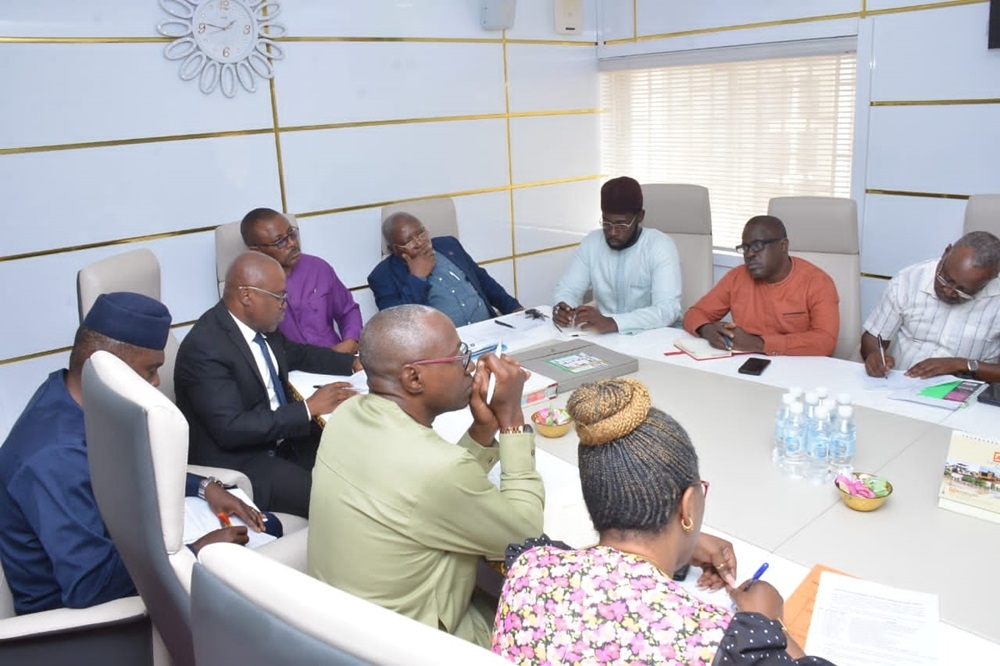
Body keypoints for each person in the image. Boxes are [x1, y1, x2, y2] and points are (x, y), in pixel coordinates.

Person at [492, 378, 835, 665]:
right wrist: (768, 623)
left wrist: (685, 544)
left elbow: (588, 568)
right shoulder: (721, 644)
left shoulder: (528, 567)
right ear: (688, 507)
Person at [0, 292, 276, 615]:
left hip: (119, 550)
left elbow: (127, 468)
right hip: (82, 629)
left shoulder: (71, 396)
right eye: (150, 370)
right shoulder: (52, 457)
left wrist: (204, 487)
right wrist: (197, 550)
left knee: (269, 529)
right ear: (102, 368)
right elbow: (89, 588)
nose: (157, 381)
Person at [308, 304, 544, 647]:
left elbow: (423, 494)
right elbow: (525, 538)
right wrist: (511, 420)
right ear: (413, 378)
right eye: (459, 356)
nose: (471, 366)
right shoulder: (439, 468)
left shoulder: (346, 415)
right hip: (415, 645)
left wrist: (482, 430)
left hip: (347, 630)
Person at [175, 252, 361, 518]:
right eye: (279, 296)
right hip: (246, 459)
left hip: (283, 437)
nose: (285, 304)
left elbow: (299, 354)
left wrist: (352, 363)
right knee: (339, 501)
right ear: (247, 296)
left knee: (360, 462)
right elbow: (231, 428)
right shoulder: (205, 348)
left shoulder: (263, 326)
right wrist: (307, 409)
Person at [683, 215, 840, 356]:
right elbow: (694, 314)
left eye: (758, 246)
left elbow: (825, 341)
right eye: (745, 248)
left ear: (783, 246)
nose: (750, 254)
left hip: (799, 371)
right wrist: (708, 330)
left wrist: (759, 343)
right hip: (744, 366)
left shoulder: (817, 282)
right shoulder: (736, 277)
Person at [862, 231, 1000, 380]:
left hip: (966, 392)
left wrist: (961, 364)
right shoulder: (909, 279)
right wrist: (875, 356)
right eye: (945, 278)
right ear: (945, 253)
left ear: (990, 280)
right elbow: (873, 338)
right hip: (902, 382)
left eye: (963, 290)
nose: (949, 291)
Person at [552, 176, 682, 334]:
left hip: (652, 336)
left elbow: (667, 310)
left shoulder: (659, 246)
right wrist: (564, 308)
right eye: (607, 223)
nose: (612, 232)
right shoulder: (592, 242)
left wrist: (613, 322)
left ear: (640, 217)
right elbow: (568, 289)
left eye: (621, 224)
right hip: (607, 337)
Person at [367, 212, 522, 326]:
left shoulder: (448, 245)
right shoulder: (382, 276)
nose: (420, 243)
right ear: (393, 249)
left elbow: (483, 281)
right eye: (409, 242)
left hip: (489, 329)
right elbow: (398, 324)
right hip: (444, 350)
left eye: (421, 234)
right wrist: (417, 278)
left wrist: (514, 308)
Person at [241, 207, 363, 353]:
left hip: (337, 355)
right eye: (280, 242)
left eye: (292, 234)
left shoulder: (318, 268)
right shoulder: (250, 288)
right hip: (291, 369)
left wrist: (351, 340)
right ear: (257, 251)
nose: (292, 243)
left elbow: (347, 310)